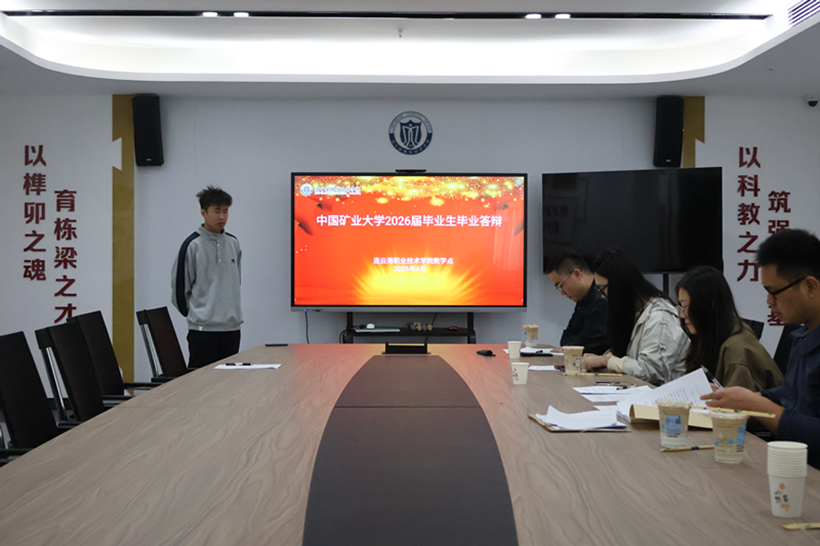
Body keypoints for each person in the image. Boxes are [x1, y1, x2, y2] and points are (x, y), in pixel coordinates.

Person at [702, 229, 820, 468]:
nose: (769, 302)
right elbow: (794, 393)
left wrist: (755, 405)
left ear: (810, 286)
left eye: (774, 292)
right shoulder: (804, 335)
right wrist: (748, 397)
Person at [580, 248, 689, 385]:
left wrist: (606, 361)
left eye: (603, 289)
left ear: (618, 286)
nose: (602, 296)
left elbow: (650, 373)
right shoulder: (635, 311)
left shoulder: (660, 317)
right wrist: (605, 358)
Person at [676, 265, 782, 391]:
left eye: (686, 307)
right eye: (681, 307)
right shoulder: (726, 332)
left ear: (709, 305)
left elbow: (738, 402)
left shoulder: (737, 351)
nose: (682, 315)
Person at [172, 186, 242, 368]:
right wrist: (199, 315)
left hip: (232, 329)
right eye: (216, 211)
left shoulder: (233, 243)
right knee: (200, 381)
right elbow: (180, 290)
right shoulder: (192, 245)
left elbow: (236, 282)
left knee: (228, 381)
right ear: (203, 212)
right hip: (203, 330)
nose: (222, 217)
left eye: (225, 211)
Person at [545, 250, 608, 355]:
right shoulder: (583, 299)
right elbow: (566, 338)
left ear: (577, 274)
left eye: (561, 286)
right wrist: (574, 344)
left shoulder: (601, 299)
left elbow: (590, 345)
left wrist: (574, 344)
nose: (562, 293)